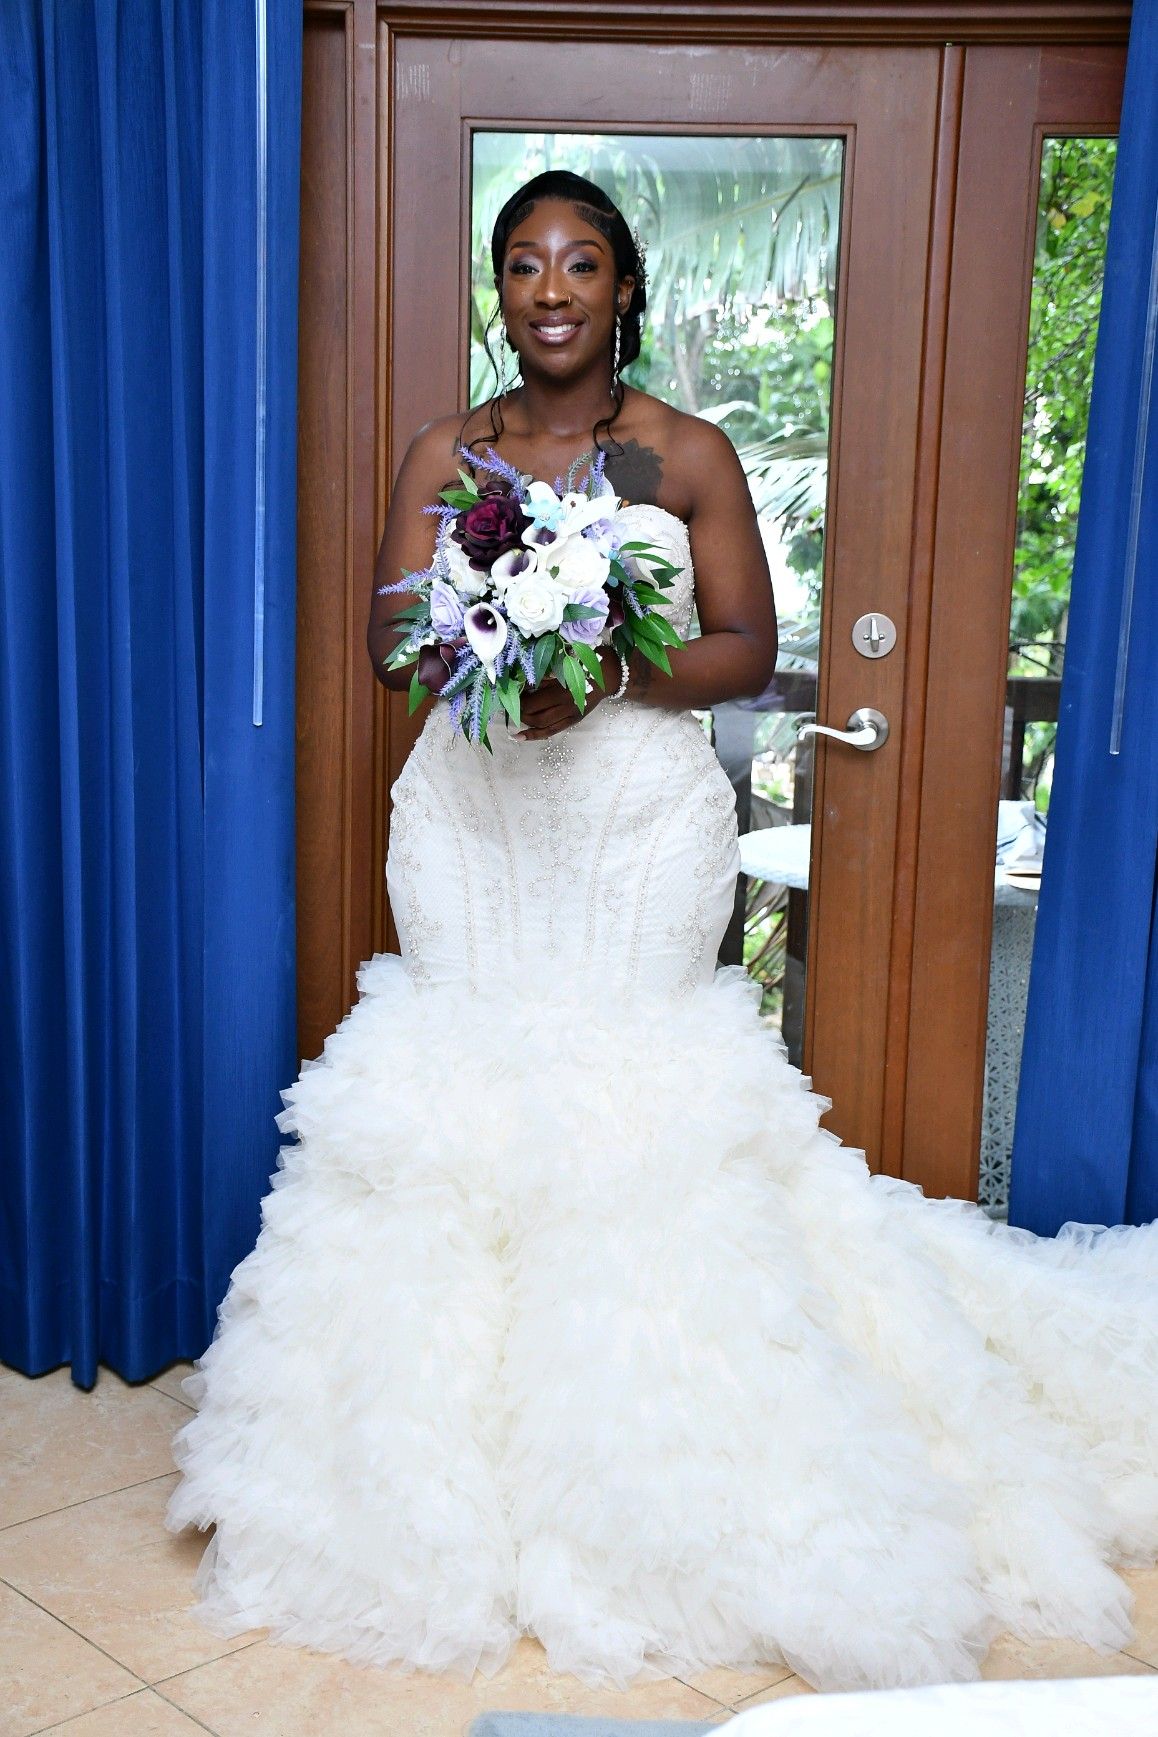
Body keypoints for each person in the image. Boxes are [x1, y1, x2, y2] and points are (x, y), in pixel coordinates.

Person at [165, 170, 1158, 1696]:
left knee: (634, 1113)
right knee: (457, 1098)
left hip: (629, 825)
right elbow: (382, 641)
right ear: (499, 292)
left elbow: (749, 650)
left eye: (577, 263)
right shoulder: (449, 449)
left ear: (624, 286)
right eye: (519, 265)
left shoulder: (687, 452)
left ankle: (656, 1470)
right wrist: (485, 635)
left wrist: (608, 658)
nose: (546, 287)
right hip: (475, 821)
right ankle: (423, 1483)